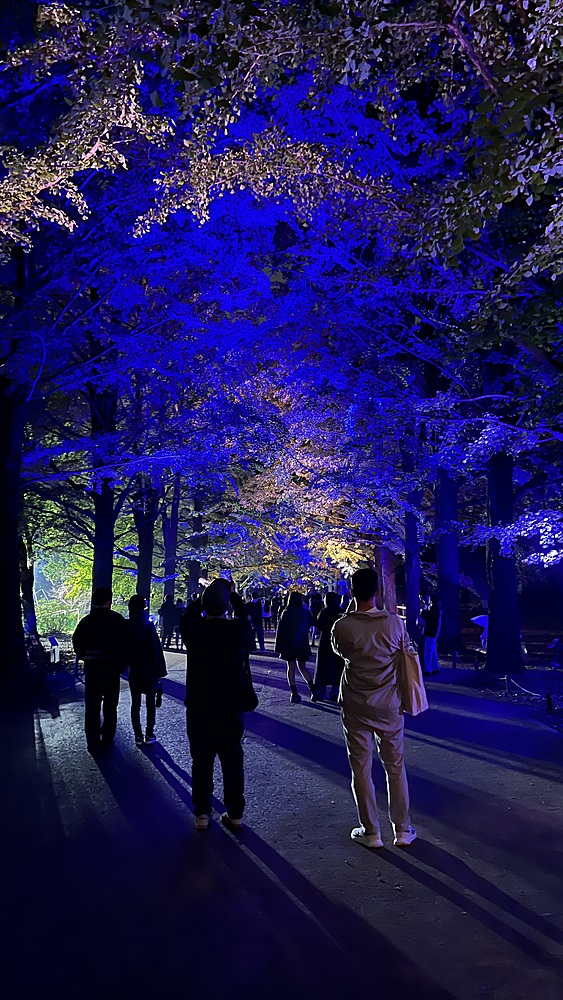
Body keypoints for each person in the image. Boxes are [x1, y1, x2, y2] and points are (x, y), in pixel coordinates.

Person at [331, 568, 417, 849]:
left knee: (360, 767)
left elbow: (340, 652)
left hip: (356, 702)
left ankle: (371, 831)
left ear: (352, 592)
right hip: (389, 702)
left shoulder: (343, 626)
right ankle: (402, 829)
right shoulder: (394, 623)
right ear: (377, 591)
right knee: (395, 766)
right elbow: (406, 651)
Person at [180, 579, 254, 831]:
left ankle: (202, 812)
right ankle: (235, 813)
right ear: (226, 606)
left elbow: (188, 615)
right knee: (232, 759)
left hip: (200, 704)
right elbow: (245, 617)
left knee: (201, 759)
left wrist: (202, 597)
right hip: (230, 705)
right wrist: (233, 596)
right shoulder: (236, 631)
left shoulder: (194, 630)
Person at [72, 586, 128, 752]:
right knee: (110, 705)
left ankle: (92, 739)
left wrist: (85, 656)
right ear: (108, 601)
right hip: (111, 669)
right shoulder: (117, 620)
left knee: (92, 706)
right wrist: (121, 664)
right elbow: (125, 645)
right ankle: (108, 737)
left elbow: (77, 642)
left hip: (93, 668)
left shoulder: (86, 621)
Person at [126, 594, 167, 745]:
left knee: (135, 703)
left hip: (134, 669)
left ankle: (138, 735)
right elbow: (156, 650)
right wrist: (160, 671)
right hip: (149, 670)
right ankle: (149, 733)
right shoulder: (148, 626)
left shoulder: (127, 625)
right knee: (150, 703)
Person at [275, 592, 315, 703]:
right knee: (302, 667)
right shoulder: (304, 612)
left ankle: (294, 693)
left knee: (291, 668)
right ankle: (313, 689)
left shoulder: (285, 612)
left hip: (289, 643)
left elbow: (281, 630)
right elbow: (313, 622)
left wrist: (279, 646)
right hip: (301, 643)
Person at [313, 592, 344, 701]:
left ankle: (320, 691)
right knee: (337, 667)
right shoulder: (341, 613)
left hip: (325, 641)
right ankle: (335, 691)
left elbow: (319, 625)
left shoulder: (323, 612)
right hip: (338, 641)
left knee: (323, 667)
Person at [420, 595, 441, 675]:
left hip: (430, 631)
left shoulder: (433, 610)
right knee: (432, 649)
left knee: (428, 650)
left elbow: (426, 617)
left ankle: (427, 669)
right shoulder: (437, 610)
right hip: (434, 631)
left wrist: (424, 609)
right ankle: (435, 667)